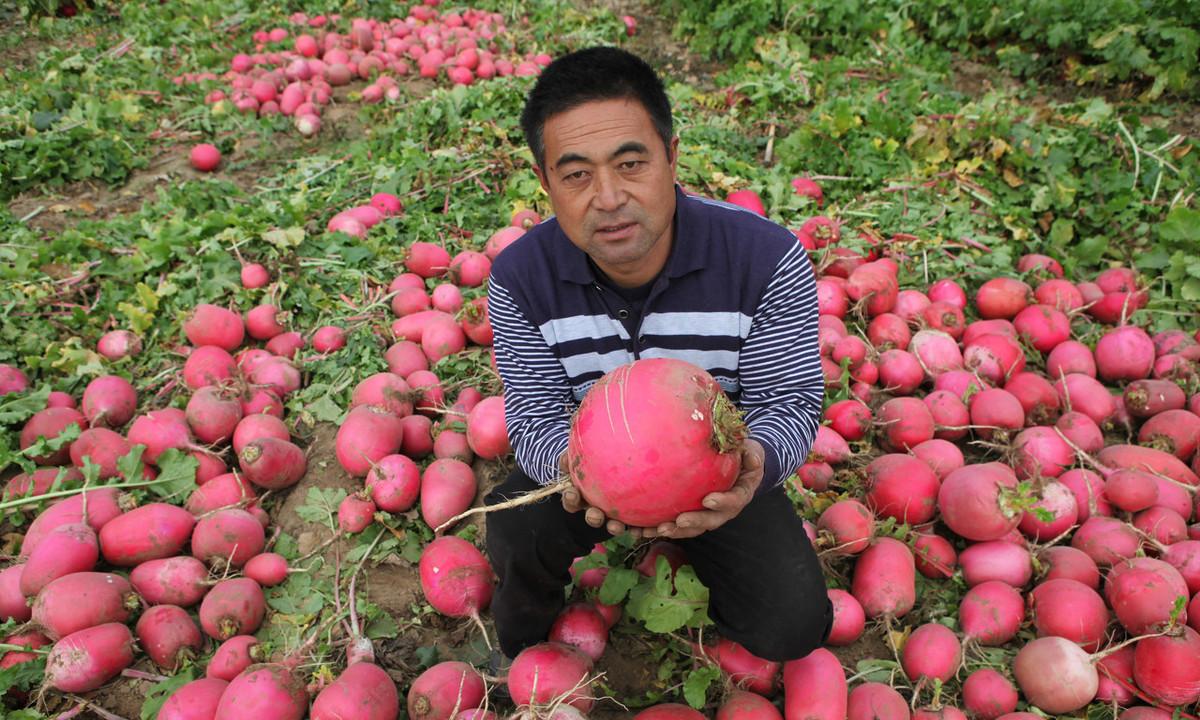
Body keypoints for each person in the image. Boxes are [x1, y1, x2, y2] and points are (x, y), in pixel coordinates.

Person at [484, 46, 829, 664]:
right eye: (577, 174)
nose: (610, 196)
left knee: (793, 626)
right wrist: (583, 477)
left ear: (672, 156)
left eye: (631, 163)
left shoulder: (767, 259)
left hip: (717, 477)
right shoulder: (519, 278)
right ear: (546, 183)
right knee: (514, 526)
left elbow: (792, 401)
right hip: (587, 475)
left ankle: (694, 573)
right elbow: (532, 415)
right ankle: (524, 652)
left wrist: (752, 464)